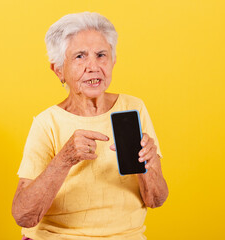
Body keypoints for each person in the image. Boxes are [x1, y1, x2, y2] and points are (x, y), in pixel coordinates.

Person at [11, 12, 169, 240]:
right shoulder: (47, 123)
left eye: (101, 55)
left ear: (113, 61)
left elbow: (156, 200)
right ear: (58, 70)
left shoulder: (133, 108)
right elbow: (23, 216)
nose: (93, 66)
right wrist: (64, 160)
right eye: (80, 57)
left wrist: (147, 164)